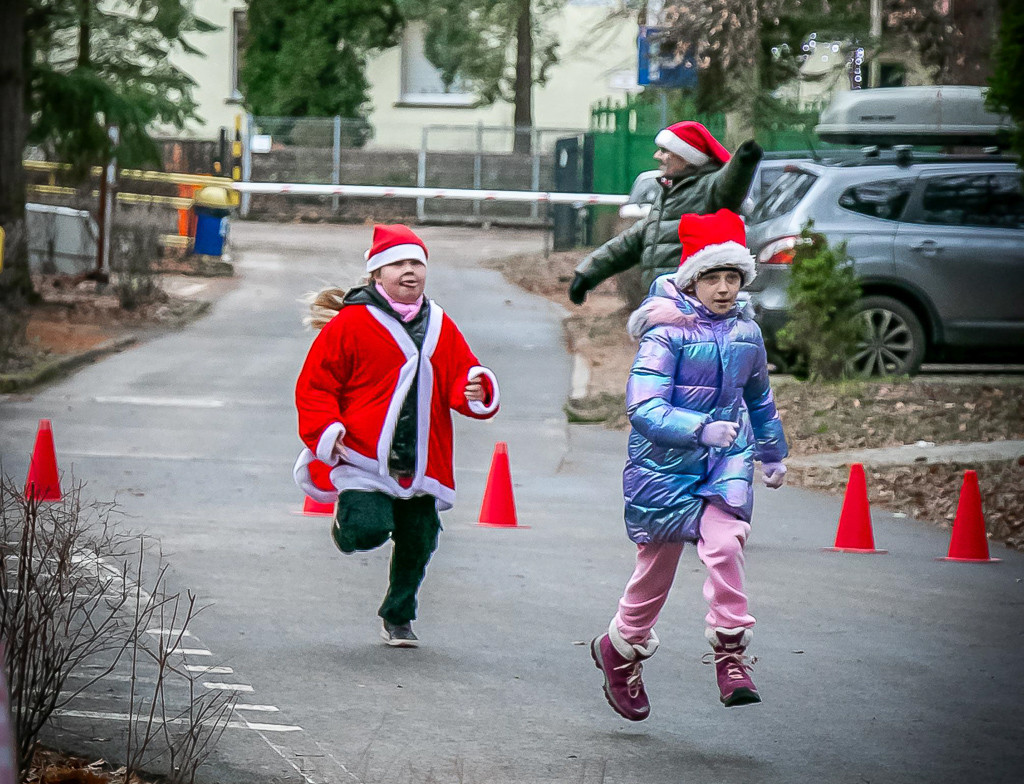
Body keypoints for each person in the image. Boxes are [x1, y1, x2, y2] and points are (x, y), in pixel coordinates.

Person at [590, 209, 788, 719]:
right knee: (654, 573)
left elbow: (760, 398)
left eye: (732, 277)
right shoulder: (665, 334)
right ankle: (621, 648)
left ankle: (730, 653)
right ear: (691, 279)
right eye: (711, 277)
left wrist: (771, 451)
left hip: (726, 461)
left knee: (725, 545)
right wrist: (698, 428)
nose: (723, 288)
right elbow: (643, 407)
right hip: (663, 467)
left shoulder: (747, 333)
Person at [293, 224, 500, 648]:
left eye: (416, 264)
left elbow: (460, 376)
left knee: (420, 538)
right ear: (376, 275)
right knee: (368, 529)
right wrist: (329, 432)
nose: (410, 272)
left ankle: (399, 616)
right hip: (364, 458)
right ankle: (346, 527)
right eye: (398, 264)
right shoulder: (350, 325)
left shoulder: (441, 324)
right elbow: (316, 386)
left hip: (422, 461)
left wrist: (474, 388)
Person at [568, 121, 764, 305]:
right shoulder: (668, 195)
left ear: (686, 156)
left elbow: (730, 183)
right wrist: (587, 274)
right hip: (662, 302)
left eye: (664, 151)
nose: (657, 156)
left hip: (692, 307)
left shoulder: (708, 188)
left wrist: (742, 163)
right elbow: (630, 242)